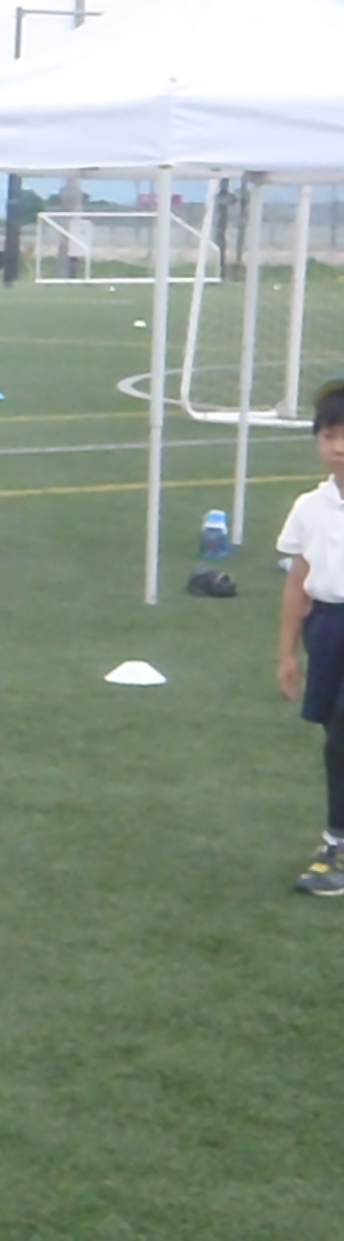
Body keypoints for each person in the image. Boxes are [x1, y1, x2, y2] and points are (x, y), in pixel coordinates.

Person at [275, 378, 344, 895]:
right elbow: (298, 581)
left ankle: (336, 845)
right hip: (327, 627)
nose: (338, 446)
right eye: (328, 435)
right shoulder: (310, 507)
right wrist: (287, 654)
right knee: (333, 736)